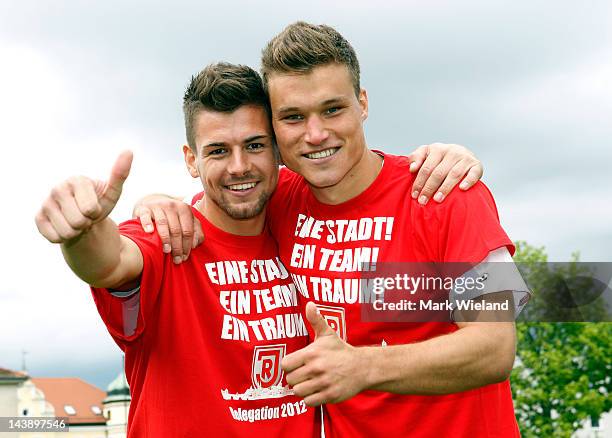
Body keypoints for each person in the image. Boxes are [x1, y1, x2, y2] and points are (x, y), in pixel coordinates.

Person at [139, 22, 527, 437]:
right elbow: (223, 189)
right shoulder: (280, 199)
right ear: (273, 130)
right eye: (293, 117)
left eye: (332, 109)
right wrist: (154, 204)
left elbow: (495, 347)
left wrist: (362, 367)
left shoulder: (447, 193)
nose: (316, 133)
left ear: (362, 103)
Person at [34, 63, 321, 437]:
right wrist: (81, 231)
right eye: (218, 151)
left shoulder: (308, 226)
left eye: (254, 145)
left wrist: (423, 159)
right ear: (191, 159)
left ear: (277, 149)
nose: (240, 167)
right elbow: (111, 262)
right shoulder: (168, 236)